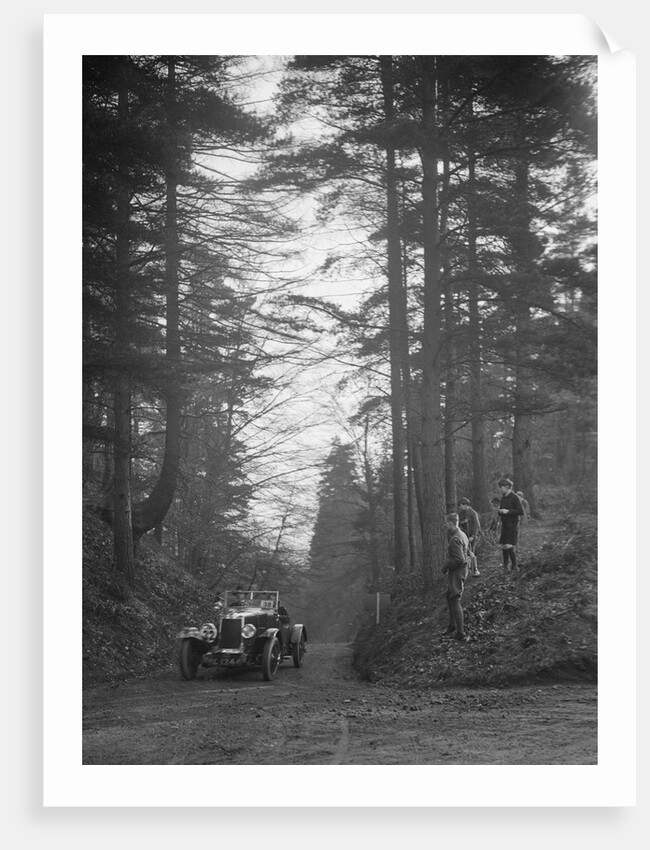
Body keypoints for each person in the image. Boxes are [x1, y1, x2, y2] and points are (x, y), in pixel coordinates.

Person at [441, 512, 470, 642]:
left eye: (447, 523)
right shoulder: (462, 534)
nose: (445, 525)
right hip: (461, 570)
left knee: (455, 598)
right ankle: (452, 625)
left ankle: (461, 633)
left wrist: (446, 565)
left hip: (458, 572)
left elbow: (459, 560)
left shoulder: (455, 539)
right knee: (449, 595)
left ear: (452, 523)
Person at [497, 478, 524, 571]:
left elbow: (521, 511)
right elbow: (501, 510)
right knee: (504, 545)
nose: (500, 489)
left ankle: (514, 566)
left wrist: (508, 511)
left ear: (507, 487)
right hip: (505, 524)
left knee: (509, 545)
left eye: (501, 487)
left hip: (513, 524)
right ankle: (505, 566)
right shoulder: (503, 497)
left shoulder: (515, 497)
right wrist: (500, 511)